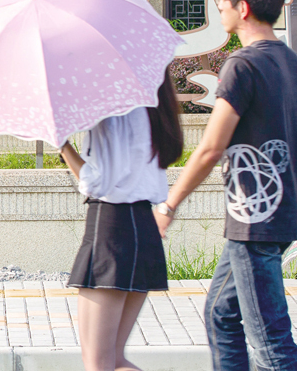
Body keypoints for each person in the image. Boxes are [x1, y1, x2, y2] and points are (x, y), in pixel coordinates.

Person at [155, 0, 297, 371]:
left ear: (242, 8)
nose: (221, 6)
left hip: (254, 223)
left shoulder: (242, 66)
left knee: (271, 344)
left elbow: (212, 148)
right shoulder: (294, 65)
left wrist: (169, 204)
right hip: (275, 221)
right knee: (221, 315)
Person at [59, 68, 183, 371]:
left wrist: (62, 145)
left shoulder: (115, 106)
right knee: (113, 360)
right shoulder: (153, 105)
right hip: (142, 227)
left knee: (99, 364)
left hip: (111, 226)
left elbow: (96, 182)